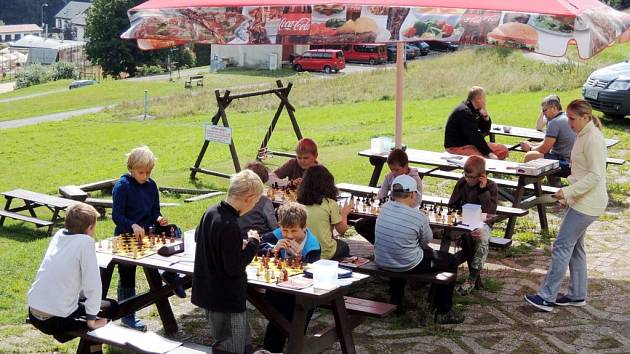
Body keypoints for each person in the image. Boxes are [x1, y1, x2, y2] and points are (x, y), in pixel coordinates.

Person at [525, 99, 607, 312]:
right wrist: (568, 197)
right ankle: (577, 295)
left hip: (588, 204)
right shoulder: (583, 135)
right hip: (582, 201)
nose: (569, 123)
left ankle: (546, 297)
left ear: (585, 117)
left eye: (572, 119)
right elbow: (580, 173)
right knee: (576, 248)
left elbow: (595, 176)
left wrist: (568, 192)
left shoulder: (593, 139)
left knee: (561, 246)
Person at [374, 175, 464, 324]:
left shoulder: (384, 208)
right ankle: (444, 310)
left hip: (382, 260)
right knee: (450, 261)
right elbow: (426, 241)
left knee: (399, 251)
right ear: (412, 194)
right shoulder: (418, 216)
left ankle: (396, 299)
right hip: (406, 263)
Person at [192, 170, 263, 354]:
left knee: (222, 338)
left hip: (209, 289)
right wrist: (253, 243)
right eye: (255, 202)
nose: (254, 206)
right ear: (249, 198)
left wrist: (234, 246)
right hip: (227, 298)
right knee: (230, 345)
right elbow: (234, 268)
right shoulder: (230, 225)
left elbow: (200, 238)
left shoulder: (211, 211)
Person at [28, 203, 118, 340]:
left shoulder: (59, 235)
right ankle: (67, 334)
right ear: (90, 228)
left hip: (33, 312)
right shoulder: (86, 242)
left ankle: (64, 331)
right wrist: (92, 321)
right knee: (111, 307)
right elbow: (93, 286)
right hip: (53, 320)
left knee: (85, 301)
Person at [112, 146, 172, 331]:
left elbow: (154, 210)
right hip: (126, 236)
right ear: (131, 168)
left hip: (147, 235)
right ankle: (127, 316)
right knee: (127, 276)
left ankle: (171, 277)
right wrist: (132, 224)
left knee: (165, 250)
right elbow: (117, 215)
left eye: (148, 172)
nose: (145, 176)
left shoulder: (151, 185)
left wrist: (158, 218)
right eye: (141, 172)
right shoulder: (122, 186)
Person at [260, 202, 321, 353]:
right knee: (276, 321)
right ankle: (272, 349)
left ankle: (294, 346)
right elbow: (257, 245)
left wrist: (298, 258)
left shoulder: (312, 245)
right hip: (278, 291)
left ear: (304, 227)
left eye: (294, 231)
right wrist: (273, 248)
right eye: (285, 230)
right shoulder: (278, 235)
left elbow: (311, 274)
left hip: (302, 294)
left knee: (297, 322)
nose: (289, 235)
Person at [448, 155, 498, 295]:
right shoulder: (462, 182)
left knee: (482, 239)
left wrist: (482, 191)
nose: (468, 179)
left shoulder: (491, 186)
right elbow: (452, 204)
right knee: (444, 233)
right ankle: (443, 267)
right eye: (466, 175)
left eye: (471, 177)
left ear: (482, 176)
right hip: (463, 220)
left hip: (482, 222)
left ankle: (472, 277)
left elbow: (490, 212)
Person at [355, 148, 423, 244]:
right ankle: (381, 246)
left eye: (397, 169)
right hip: (390, 213)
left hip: (407, 216)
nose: (394, 173)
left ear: (406, 166)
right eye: (391, 169)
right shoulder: (389, 176)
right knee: (361, 225)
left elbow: (417, 201)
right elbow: (381, 196)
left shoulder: (414, 179)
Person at [297, 165, 351, 260]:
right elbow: (342, 230)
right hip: (324, 253)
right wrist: (344, 213)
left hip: (303, 251)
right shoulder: (330, 203)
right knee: (344, 246)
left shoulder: (298, 203)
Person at [521, 95, 576, 182]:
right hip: (575, 163)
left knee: (530, 156)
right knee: (548, 156)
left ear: (553, 108)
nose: (543, 114)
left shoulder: (554, 122)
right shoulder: (565, 117)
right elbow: (547, 143)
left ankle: (525, 186)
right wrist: (533, 145)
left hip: (567, 165)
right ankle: (554, 184)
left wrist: (530, 148)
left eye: (544, 110)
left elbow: (544, 149)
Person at [444, 86, 509, 160]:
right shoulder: (465, 112)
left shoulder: (475, 110)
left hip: (470, 144)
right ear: (478, 99)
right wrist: (489, 153)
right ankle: (473, 171)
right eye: (484, 98)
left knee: (503, 150)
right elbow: (474, 136)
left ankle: (481, 168)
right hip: (456, 147)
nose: (485, 101)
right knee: (481, 160)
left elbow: (485, 130)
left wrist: (485, 116)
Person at [238, 161, 279, 235]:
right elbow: (273, 226)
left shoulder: (236, 197)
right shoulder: (264, 201)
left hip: (240, 236)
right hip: (260, 239)